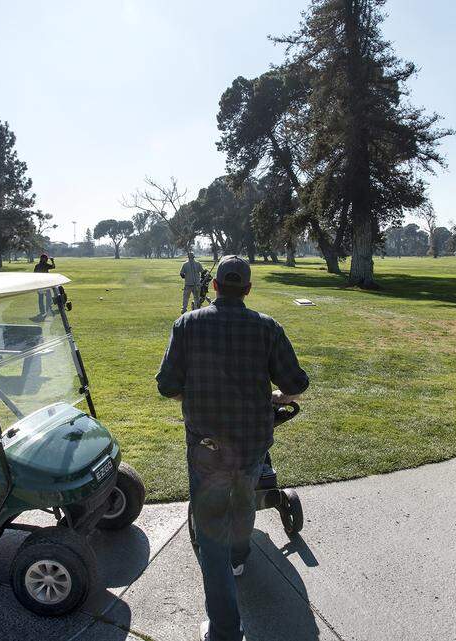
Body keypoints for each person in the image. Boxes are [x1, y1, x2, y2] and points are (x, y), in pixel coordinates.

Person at [156, 255, 309, 641]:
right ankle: (239, 558)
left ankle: (224, 629)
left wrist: (192, 396)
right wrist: (276, 396)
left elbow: (167, 385)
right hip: (252, 443)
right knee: (243, 504)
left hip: (207, 446)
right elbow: (297, 383)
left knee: (210, 535)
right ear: (248, 290)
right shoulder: (267, 328)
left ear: (214, 287)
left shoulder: (187, 325)